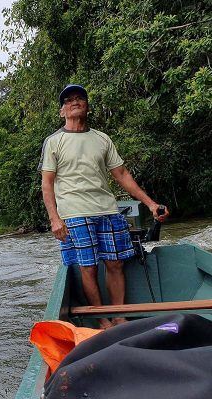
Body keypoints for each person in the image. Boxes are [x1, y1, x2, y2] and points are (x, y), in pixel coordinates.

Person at [39, 84, 169, 329]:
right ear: (62, 111)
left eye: (80, 98)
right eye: (69, 100)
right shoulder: (54, 142)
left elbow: (121, 174)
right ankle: (102, 319)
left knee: (116, 263)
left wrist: (151, 204)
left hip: (107, 210)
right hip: (74, 213)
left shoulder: (102, 139)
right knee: (88, 267)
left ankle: (118, 315)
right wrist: (55, 219)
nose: (75, 102)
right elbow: (47, 183)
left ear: (87, 106)